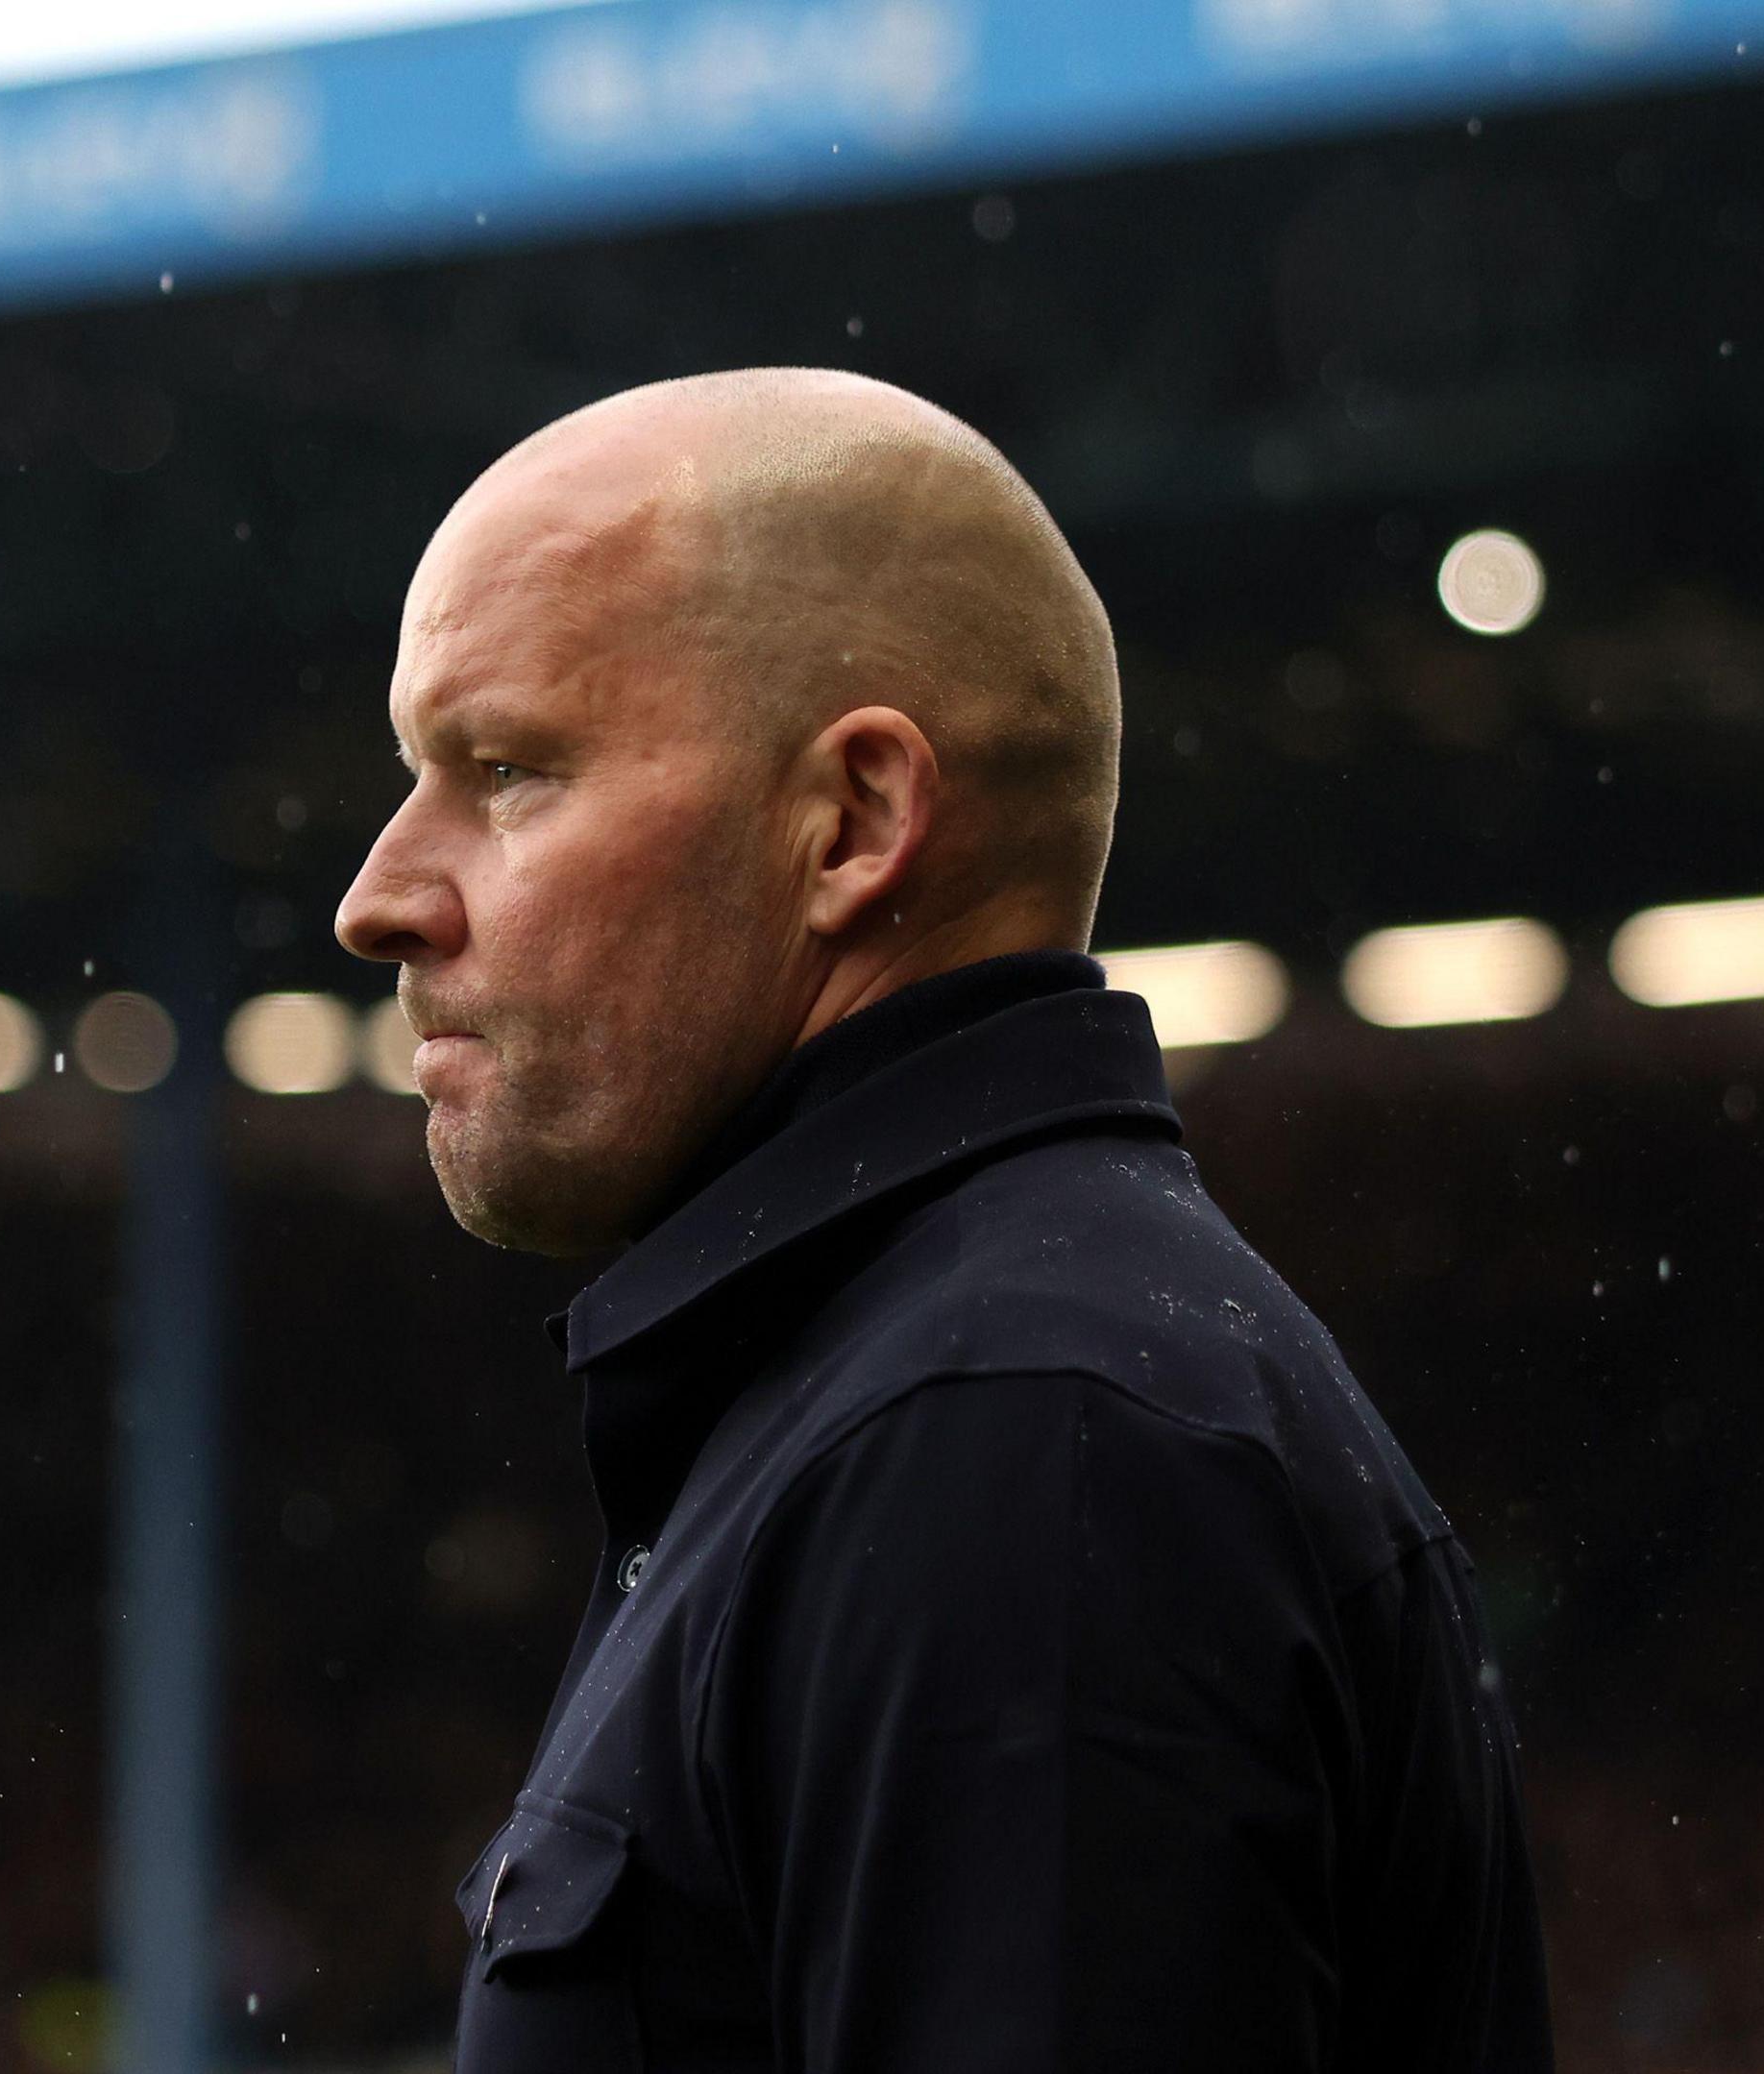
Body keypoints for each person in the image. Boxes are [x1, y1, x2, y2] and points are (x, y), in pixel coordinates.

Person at [333, 369, 1553, 2070]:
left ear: (852, 824)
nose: (377, 896)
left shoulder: (1012, 1439)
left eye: (509, 769)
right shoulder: (931, 1388)